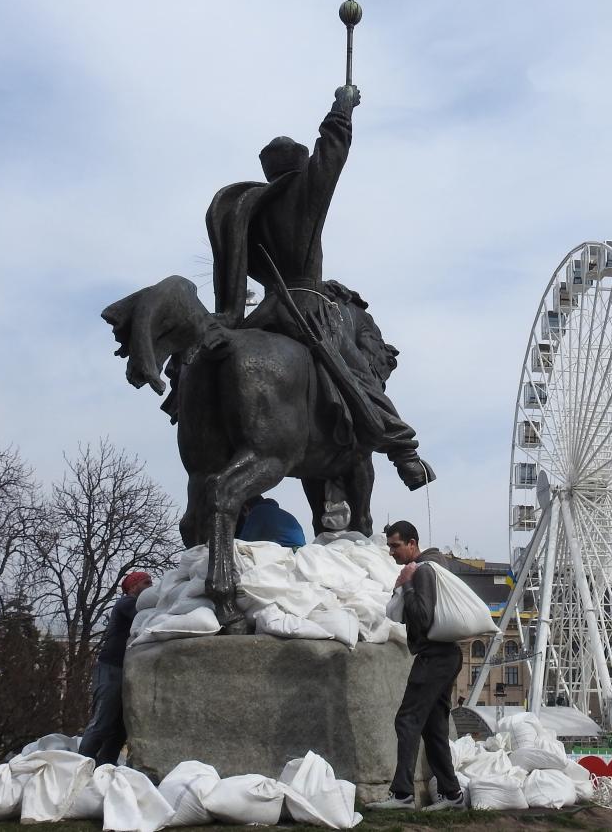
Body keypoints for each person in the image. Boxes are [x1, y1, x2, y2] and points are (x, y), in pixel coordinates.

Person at [203, 84, 434, 492]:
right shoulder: (300, 194)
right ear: (299, 165)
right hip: (307, 308)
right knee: (360, 378)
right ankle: (405, 453)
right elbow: (332, 150)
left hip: (268, 310)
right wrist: (342, 107)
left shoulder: (247, 209)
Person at [366, 521, 465, 811]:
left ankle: (402, 795)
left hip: (434, 657)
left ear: (412, 543)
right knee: (434, 728)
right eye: (389, 546)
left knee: (406, 720)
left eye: (395, 545)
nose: (391, 552)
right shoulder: (438, 564)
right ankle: (452, 795)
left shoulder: (422, 571)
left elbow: (422, 618)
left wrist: (406, 585)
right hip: (448, 655)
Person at [79, 571, 153, 765]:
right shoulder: (127, 603)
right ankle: (80, 767)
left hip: (127, 672)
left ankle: (105, 769)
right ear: (133, 586)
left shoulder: (140, 604)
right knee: (102, 722)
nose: (151, 586)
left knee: (120, 728)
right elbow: (150, 618)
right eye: (147, 582)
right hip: (110, 668)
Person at [235, 495, 306, 548]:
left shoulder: (258, 511)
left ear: (245, 508)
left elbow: (244, 543)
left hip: (288, 552)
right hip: (298, 551)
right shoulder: (280, 513)